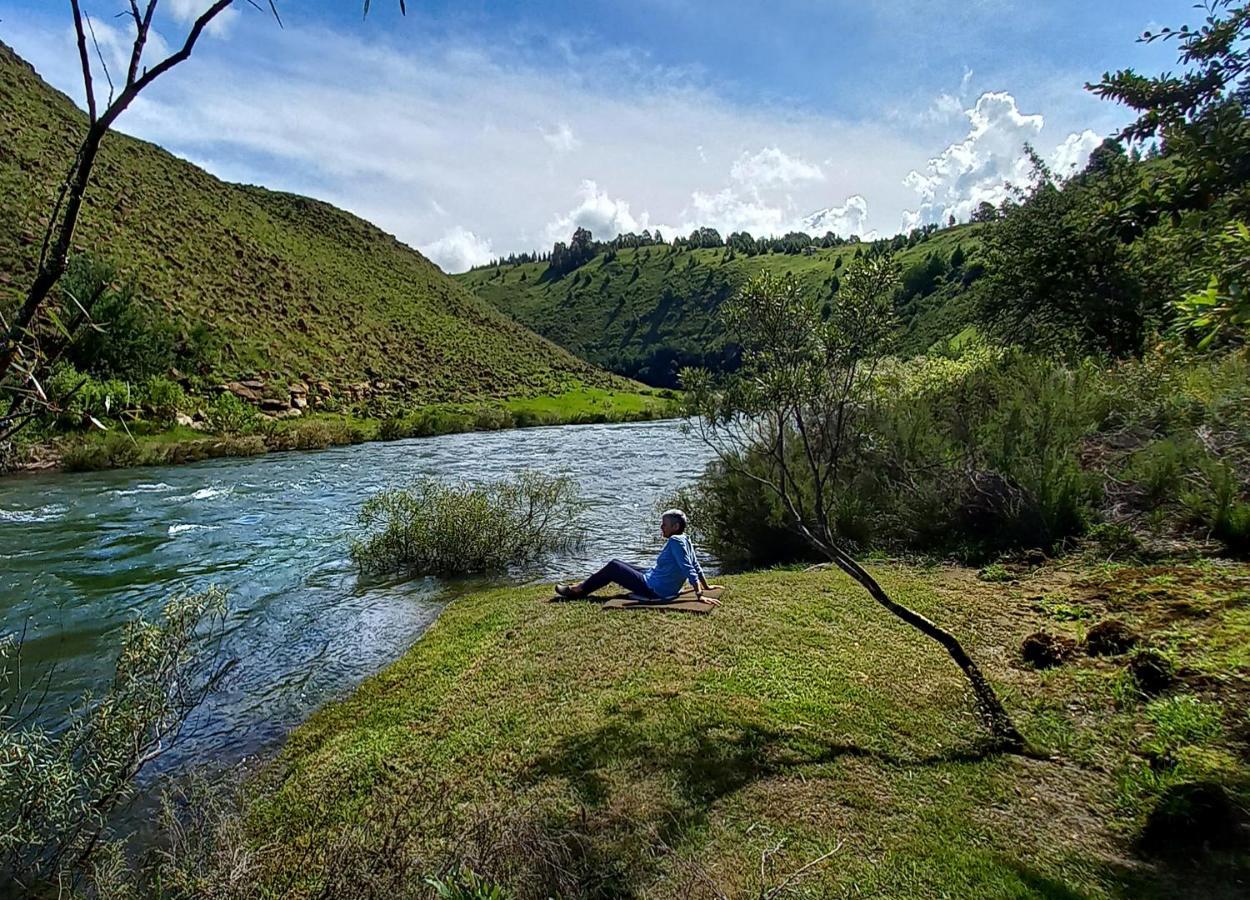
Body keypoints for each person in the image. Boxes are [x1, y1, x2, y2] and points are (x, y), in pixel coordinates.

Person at [556, 509, 722, 604]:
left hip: (656, 590)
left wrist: (700, 595)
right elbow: (696, 564)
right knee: (620, 565)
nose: (661, 527)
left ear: (675, 526)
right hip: (658, 580)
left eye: (664, 525)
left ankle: (577, 591)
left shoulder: (675, 542)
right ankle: (582, 585)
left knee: (614, 566)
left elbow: (689, 568)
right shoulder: (685, 539)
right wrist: (706, 586)